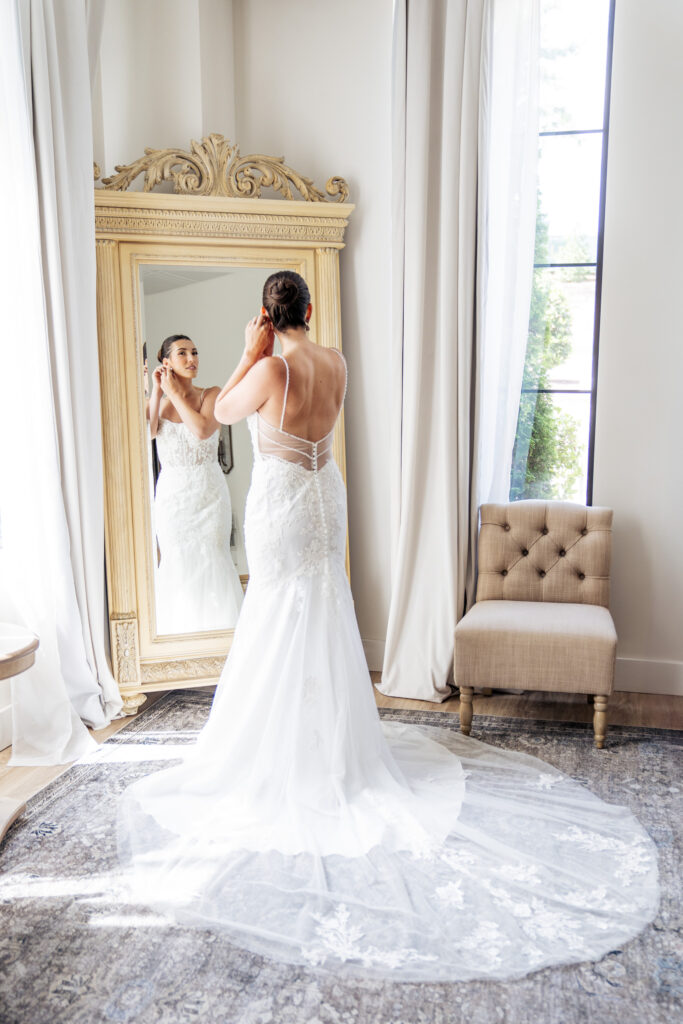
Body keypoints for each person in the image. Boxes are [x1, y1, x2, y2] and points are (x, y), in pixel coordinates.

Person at [119, 272, 658, 982]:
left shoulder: (272, 365)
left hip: (281, 505)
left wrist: (248, 353)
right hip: (323, 498)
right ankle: (330, 740)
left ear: (267, 315)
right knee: (317, 607)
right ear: (309, 310)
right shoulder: (335, 361)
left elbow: (216, 413)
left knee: (278, 611)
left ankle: (282, 753)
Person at [148, 334, 243, 633]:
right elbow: (148, 432)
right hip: (172, 498)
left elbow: (202, 430)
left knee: (213, 558)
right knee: (177, 562)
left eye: (195, 352)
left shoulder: (211, 395)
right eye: (183, 354)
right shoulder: (161, 405)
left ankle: (220, 641)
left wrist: (174, 394)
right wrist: (156, 391)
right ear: (166, 363)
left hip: (209, 494)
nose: (192, 359)